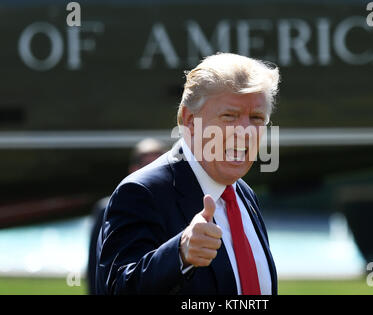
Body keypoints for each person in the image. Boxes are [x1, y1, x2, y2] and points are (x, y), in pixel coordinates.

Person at [95, 53, 280, 295]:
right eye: (229, 116)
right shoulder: (142, 192)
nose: (245, 132)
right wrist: (179, 255)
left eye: (256, 118)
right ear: (189, 120)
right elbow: (117, 290)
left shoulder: (244, 195)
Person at [87, 138, 167, 294]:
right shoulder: (106, 208)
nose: (151, 170)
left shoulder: (173, 207)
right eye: (145, 165)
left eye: (157, 164)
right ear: (133, 168)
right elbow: (95, 265)